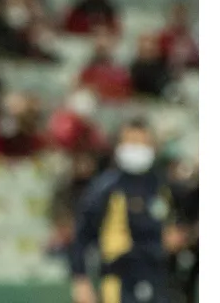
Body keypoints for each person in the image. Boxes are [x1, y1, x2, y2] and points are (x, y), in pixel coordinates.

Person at [69, 119, 185, 303]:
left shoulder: (162, 186)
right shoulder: (104, 188)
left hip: (159, 279)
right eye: (131, 142)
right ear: (119, 146)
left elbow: (179, 224)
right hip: (119, 278)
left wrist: (178, 236)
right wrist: (80, 279)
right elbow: (81, 236)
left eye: (142, 143)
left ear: (153, 147)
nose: (137, 148)